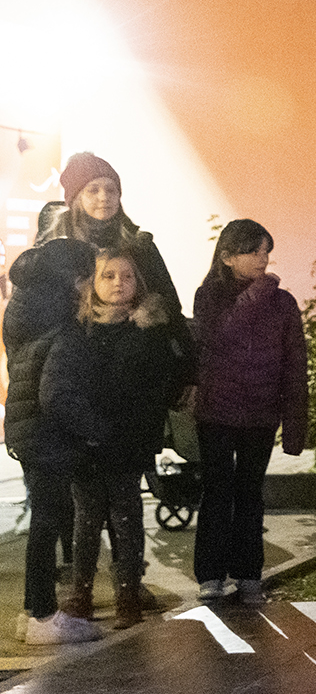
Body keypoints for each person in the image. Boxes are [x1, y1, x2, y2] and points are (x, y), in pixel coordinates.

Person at [40, 247, 185, 629]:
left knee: (127, 519)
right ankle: (81, 594)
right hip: (87, 443)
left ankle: (128, 595)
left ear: (139, 283)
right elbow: (57, 389)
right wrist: (91, 429)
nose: (119, 283)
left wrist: (128, 432)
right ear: (92, 283)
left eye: (127, 276)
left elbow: (157, 388)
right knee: (86, 521)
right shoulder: (77, 331)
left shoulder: (149, 332)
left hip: (127, 445)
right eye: (108, 275)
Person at [190, 219, 309, 605]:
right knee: (217, 491)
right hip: (217, 412)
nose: (263, 258)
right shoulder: (209, 296)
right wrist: (257, 294)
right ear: (227, 257)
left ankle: (248, 574)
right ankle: (210, 575)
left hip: (261, 412)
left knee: (250, 493)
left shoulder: (284, 303)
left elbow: (295, 365)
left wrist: (295, 423)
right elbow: (220, 334)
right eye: (253, 251)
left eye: (266, 251)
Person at [3, 239, 104, 644]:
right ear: (75, 278)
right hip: (49, 434)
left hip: (27, 430)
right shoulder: (63, 323)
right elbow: (56, 393)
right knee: (49, 521)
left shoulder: (27, 311)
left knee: (44, 521)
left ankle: (34, 611)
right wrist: (94, 429)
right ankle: (44, 617)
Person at [41, 152, 185, 324]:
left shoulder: (141, 246)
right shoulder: (54, 249)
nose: (104, 197)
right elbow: (31, 319)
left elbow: (172, 309)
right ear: (77, 198)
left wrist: (148, 316)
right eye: (93, 190)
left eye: (111, 190)